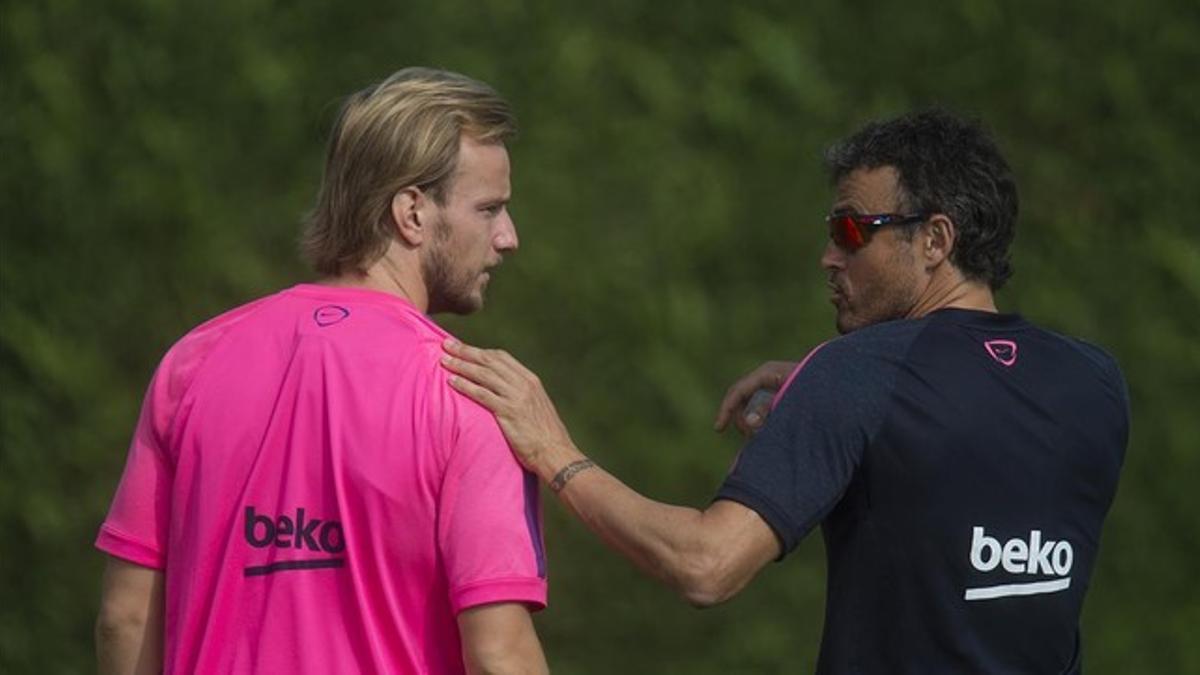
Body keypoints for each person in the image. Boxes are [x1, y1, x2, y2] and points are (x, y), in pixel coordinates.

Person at [441, 110, 1129, 673]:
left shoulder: (858, 373)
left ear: (935, 240)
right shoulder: (1095, 382)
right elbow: (965, 452)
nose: (830, 255)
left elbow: (706, 565)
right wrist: (828, 396)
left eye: (851, 229)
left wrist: (556, 451)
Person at [94, 67, 549, 675]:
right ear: (412, 212)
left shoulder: (193, 362)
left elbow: (124, 619)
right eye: (489, 208)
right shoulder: (470, 393)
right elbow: (499, 654)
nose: (508, 237)